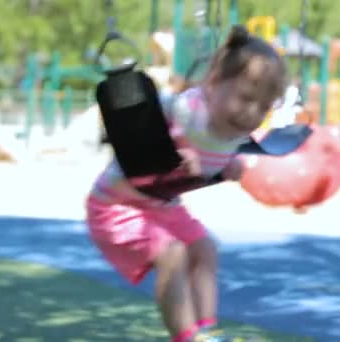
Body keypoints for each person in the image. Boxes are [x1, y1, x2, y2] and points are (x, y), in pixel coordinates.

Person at [86, 25, 286, 342]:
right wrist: (171, 148)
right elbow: (147, 111)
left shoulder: (233, 132)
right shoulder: (190, 110)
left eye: (264, 106)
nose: (251, 113)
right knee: (174, 254)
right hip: (115, 207)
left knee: (205, 248)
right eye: (246, 98)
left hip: (162, 206)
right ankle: (185, 337)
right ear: (214, 82)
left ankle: (208, 329)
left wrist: (228, 165)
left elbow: (216, 155)